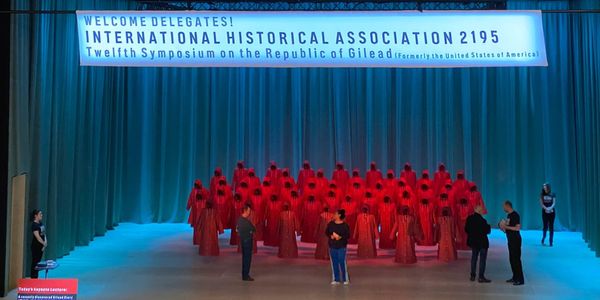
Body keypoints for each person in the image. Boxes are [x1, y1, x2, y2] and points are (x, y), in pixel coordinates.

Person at [499, 201, 525, 286]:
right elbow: (508, 228)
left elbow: (517, 228)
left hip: (515, 240)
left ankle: (520, 279)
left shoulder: (515, 215)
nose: (503, 208)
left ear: (507, 206)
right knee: (512, 259)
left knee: (516, 259)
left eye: (504, 206)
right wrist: (502, 227)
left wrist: (506, 227)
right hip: (510, 240)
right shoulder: (508, 216)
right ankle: (515, 277)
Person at [465, 205, 491, 283]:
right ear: (480, 211)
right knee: (482, 260)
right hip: (482, 243)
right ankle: (481, 277)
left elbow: (466, 229)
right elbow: (487, 231)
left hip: (473, 242)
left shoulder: (469, 219)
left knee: (474, 258)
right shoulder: (483, 221)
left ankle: (472, 276)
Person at [325, 209, 351, 285]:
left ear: (339, 215)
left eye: (335, 214)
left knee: (342, 261)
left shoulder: (345, 225)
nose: (334, 215)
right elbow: (327, 232)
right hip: (332, 245)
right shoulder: (331, 224)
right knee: (334, 262)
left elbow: (348, 235)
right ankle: (336, 279)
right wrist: (331, 236)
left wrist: (340, 237)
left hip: (341, 246)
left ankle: (345, 278)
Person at [237, 204, 256, 281]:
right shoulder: (246, 221)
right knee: (247, 259)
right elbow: (253, 229)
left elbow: (237, 229)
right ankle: (246, 275)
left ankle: (244, 274)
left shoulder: (239, 220)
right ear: (245, 211)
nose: (249, 212)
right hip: (247, 241)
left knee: (245, 258)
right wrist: (250, 231)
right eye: (248, 211)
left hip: (243, 240)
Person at [30, 209, 47, 279]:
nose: (41, 215)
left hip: (41, 246)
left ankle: (36, 276)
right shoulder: (34, 225)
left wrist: (45, 242)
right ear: (35, 216)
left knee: (38, 262)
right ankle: (33, 277)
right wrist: (44, 244)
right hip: (36, 246)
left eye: (41, 214)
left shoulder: (40, 223)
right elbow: (38, 237)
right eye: (40, 214)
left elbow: (43, 234)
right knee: (35, 262)